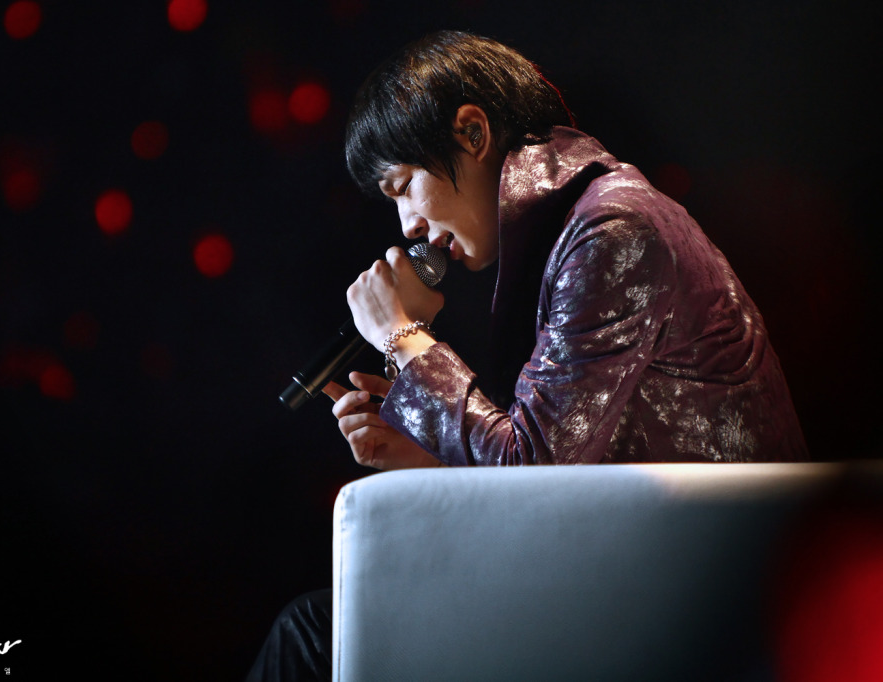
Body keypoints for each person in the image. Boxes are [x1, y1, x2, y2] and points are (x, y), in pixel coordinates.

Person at [247, 29, 807, 681]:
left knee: (313, 635)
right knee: (322, 627)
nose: (407, 226)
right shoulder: (578, 229)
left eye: (404, 185)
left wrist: (401, 335)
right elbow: (547, 462)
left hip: (706, 597)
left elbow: (534, 474)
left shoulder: (612, 231)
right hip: (646, 572)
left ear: (472, 133)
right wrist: (427, 454)